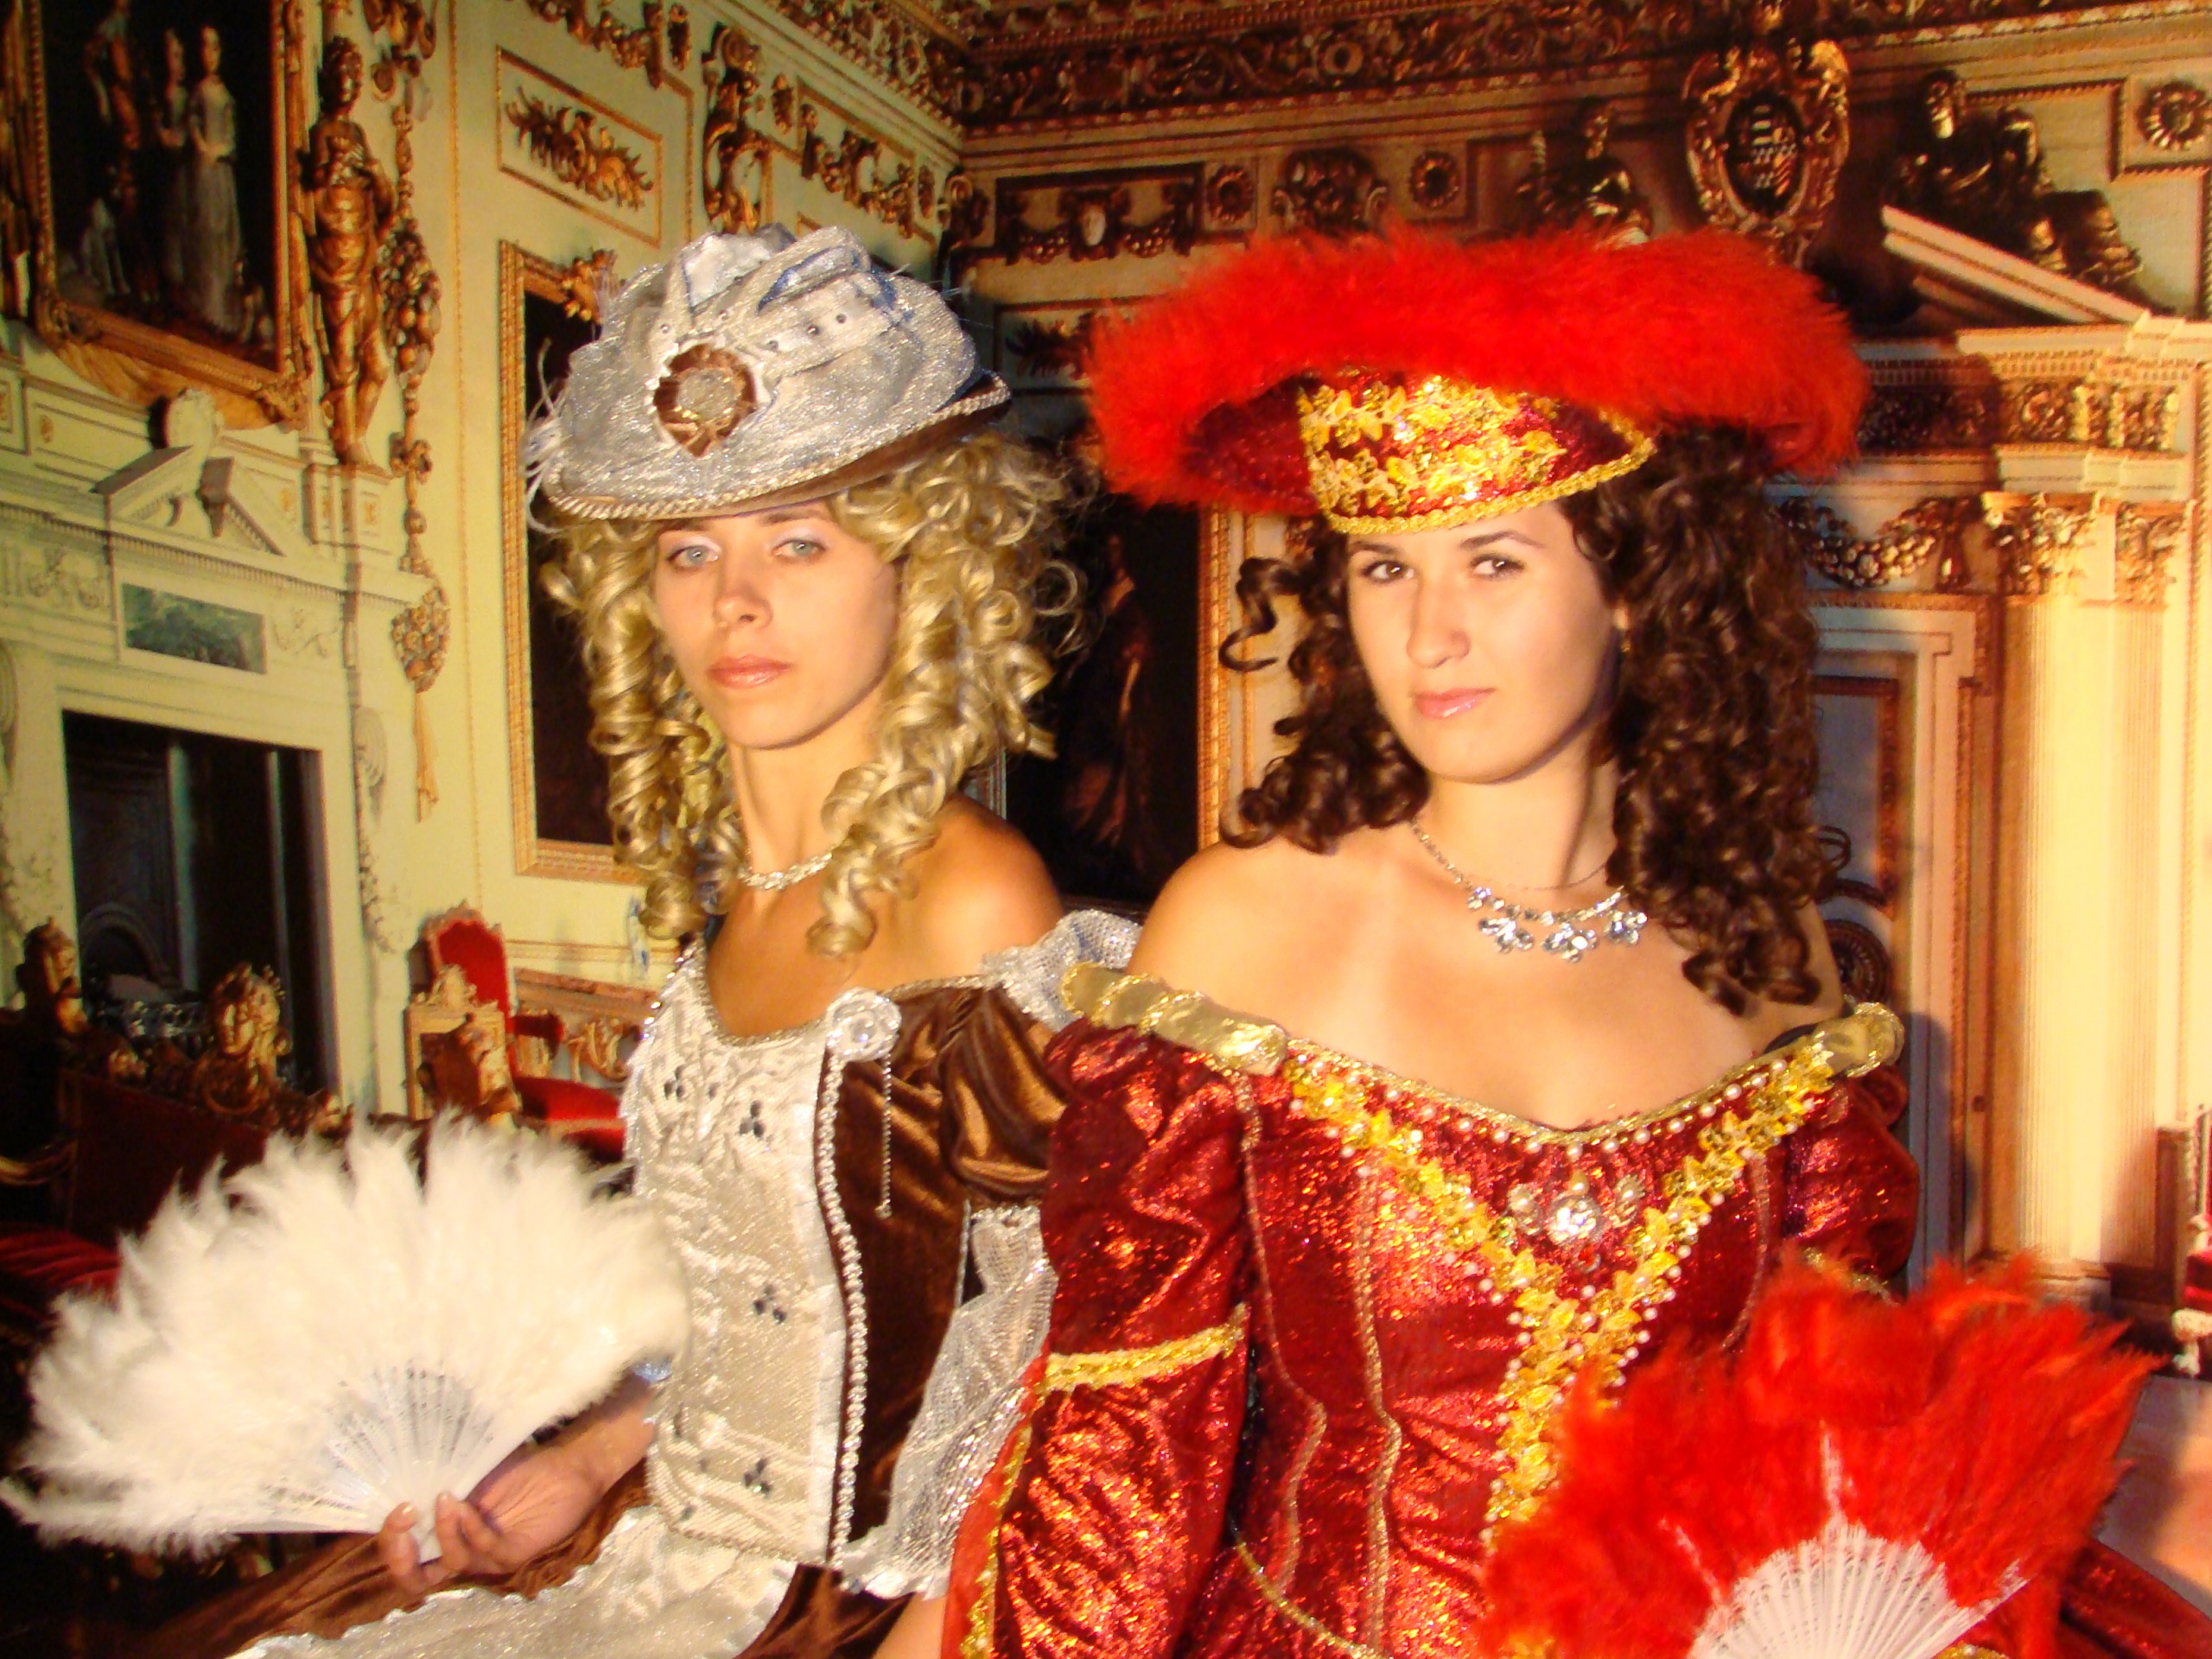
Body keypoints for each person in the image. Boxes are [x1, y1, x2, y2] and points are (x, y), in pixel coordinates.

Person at [955, 230, 2212, 1659]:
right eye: (1384, 569)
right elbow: (1125, 1451)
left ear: (1630, 578)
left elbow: (1820, 1441)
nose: (1430, 636)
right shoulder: (1245, 933)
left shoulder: (1769, 961)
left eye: (1493, 561)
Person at [155, 225, 1129, 1659]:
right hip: (657, 1539)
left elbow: (1066, 1354)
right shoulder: (726, 910)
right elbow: (736, 1312)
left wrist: (936, 1629)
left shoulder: (977, 902)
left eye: (799, 540)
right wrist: (584, 1460)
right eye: (689, 550)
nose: (736, 600)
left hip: (862, 1604)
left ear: (917, 565)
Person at [187, 25, 244, 338]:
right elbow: (193, 123)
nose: (209, 54)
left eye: (214, 47)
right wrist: (202, 148)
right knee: (205, 233)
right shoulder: (199, 92)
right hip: (204, 170)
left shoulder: (226, 96)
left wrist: (219, 150)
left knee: (224, 236)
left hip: (221, 172)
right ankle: (207, 306)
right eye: (204, 47)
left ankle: (223, 310)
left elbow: (232, 136)